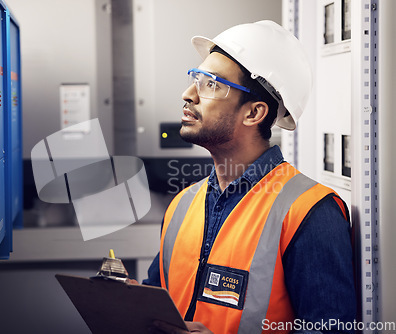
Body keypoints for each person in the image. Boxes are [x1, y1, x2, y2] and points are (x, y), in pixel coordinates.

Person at [144, 21, 357, 334]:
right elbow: (156, 303)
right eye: (195, 79)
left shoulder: (310, 213)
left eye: (211, 84)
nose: (188, 94)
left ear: (254, 113)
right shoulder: (181, 206)